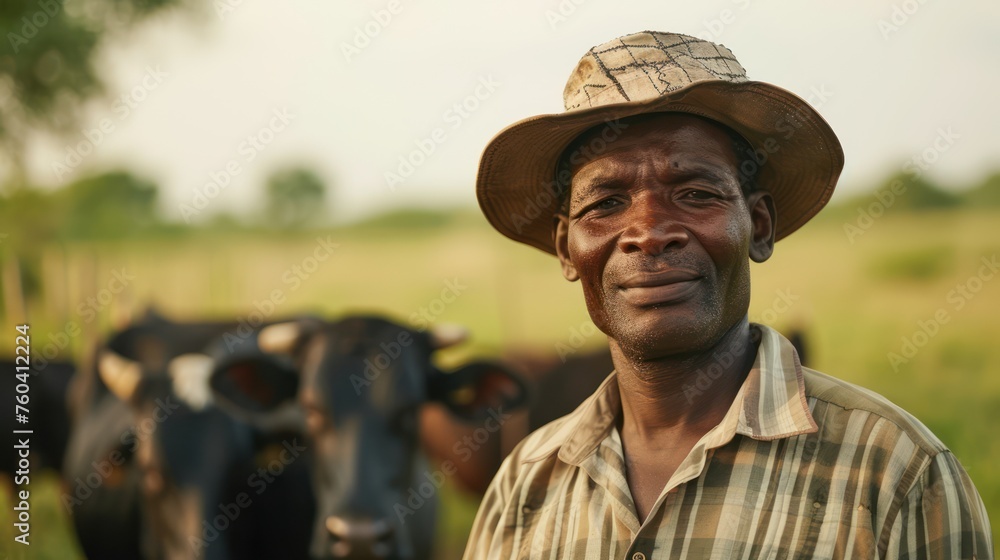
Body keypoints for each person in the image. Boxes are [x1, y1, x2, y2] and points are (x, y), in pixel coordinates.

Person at [463, 31, 992, 559]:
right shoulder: (524, 482)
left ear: (759, 226)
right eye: (606, 202)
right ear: (566, 249)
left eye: (696, 193)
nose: (648, 231)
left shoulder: (895, 471)